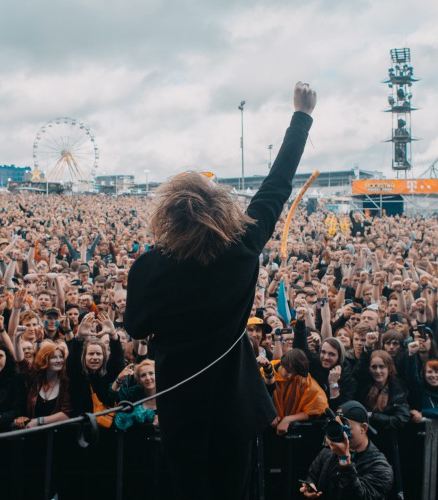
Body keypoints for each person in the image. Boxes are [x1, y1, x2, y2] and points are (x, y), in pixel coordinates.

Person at [125, 81, 316, 499]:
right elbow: (276, 187)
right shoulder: (242, 248)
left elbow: (136, 327)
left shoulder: (151, 266)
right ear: (222, 212)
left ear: (169, 216)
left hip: (181, 408)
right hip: (235, 406)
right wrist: (301, 117)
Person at [300, 401, 393, 499]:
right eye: (339, 427)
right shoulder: (328, 451)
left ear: (363, 428)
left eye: (346, 427)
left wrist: (344, 460)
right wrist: (310, 487)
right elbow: (312, 475)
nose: (342, 434)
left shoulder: (380, 467)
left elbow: (359, 496)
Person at [265, 349, 328, 435]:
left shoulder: (302, 379)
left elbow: (318, 407)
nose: (290, 376)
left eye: (294, 373)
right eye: (288, 371)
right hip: (265, 428)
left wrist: (288, 419)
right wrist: (269, 415)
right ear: (282, 363)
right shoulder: (265, 372)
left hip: (291, 430)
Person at [109, 359, 158, 431]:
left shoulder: (165, 392)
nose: (148, 378)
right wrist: (119, 378)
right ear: (139, 380)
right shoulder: (136, 391)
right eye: (143, 375)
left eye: (151, 373)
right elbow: (114, 394)